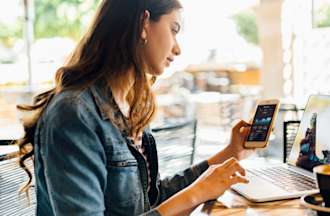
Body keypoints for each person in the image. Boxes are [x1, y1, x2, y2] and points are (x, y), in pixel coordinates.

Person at [17, 0, 253, 215]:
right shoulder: (74, 114)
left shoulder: (129, 107)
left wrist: (231, 152)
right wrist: (197, 193)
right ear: (143, 23)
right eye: (174, 29)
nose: (178, 48)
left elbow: (152, 199)